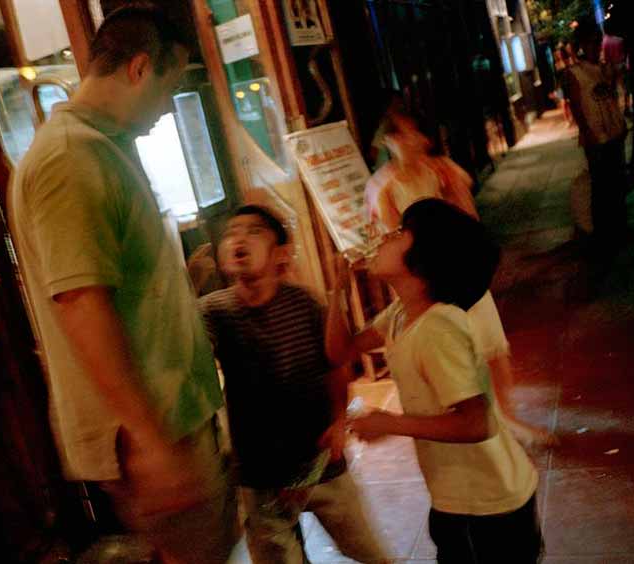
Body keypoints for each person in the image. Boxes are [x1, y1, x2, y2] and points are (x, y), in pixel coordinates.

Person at [7, 7, 236, 563]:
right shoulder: (70, 158)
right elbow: (83, 305)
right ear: (138, 69)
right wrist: (151, 441)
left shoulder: (103, 146)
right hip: (151, 434)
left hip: (171, 420)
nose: (167, 105)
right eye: (170, 85)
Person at [327, 199, 543, 564]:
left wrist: (391, 423)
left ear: (424, 260)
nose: (383, 237)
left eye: (399, 233)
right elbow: (341, 350)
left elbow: (476, 422)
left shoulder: (439, 327)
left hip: (491, 502)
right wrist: (336, 289)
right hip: (457, 496)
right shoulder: (401, 314)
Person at [199, 205, 387, 564]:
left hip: (320, 460)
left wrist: (337, 423)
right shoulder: (212, 311)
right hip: (260, 472)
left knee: (368, 550)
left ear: (280, 254)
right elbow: (190, 357)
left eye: (254, 231)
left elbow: (335, 366)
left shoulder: (306, 303)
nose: (238, 238)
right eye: (230, 233)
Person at [365, 109, 552, 447]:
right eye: (402, 135)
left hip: (458, 272)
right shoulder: (385, 189)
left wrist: (452, 192)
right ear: (391, 142)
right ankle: (474, 421)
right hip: (428, 285)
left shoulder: (444, 171)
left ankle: (508, 418)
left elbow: (470, 222)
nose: (412, 142)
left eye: (414, 133)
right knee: (455, 354)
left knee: (493, 347)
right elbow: (395, 244)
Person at [565, 18, 630, 251]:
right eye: (591, 42)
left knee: (617, 182)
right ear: (582, 43)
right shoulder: (574, 73)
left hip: (613, 132)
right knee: (602, 187)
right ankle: (604, 234)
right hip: (596, 138)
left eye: (597, 41)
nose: (596, 47)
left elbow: (613, 97)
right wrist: (587, 132)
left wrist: (621, 123)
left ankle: (619, 228)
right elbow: (576, 107)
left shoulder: (604, 69)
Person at [602, 22, 632, 117]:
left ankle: (618, 109)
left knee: (615, 90)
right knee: (625, 88)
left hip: (612, 67)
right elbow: (625, 53)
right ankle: (626, 107)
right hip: (622, 65)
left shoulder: (604, 42)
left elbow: (606, 58)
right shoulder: (619, 40)